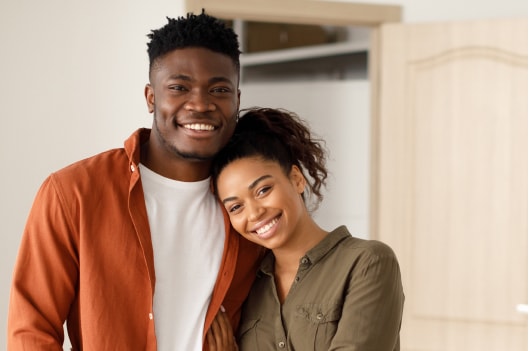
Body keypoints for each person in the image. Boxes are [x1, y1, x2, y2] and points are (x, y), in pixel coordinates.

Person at [7, 11, 265, 350]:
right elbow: (31, 332)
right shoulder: (73, 193)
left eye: (218, 89)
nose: (200, 104)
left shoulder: (255, 209)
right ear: (151, 97)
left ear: (237, 101)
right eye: (179, 87)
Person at [206, 108, 405, 350]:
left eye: (263, 190)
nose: (255, 213)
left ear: (296, 179)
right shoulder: (250, 286)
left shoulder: (367, 262)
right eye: (236, 207)